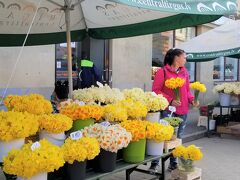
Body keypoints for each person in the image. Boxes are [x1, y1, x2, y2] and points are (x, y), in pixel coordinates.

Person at [150, 48, 199, 172]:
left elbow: (187, 90)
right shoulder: (163, 72)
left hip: (183, 110)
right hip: (168, 111)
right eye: (184, 57)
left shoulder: (185, 72)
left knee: (177, 138)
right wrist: (170, 100)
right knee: (161, 137)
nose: (185, 59)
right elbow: (156, 91)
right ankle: (154, 163)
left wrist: (192, 99)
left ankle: (173, 163)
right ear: (176, 58)